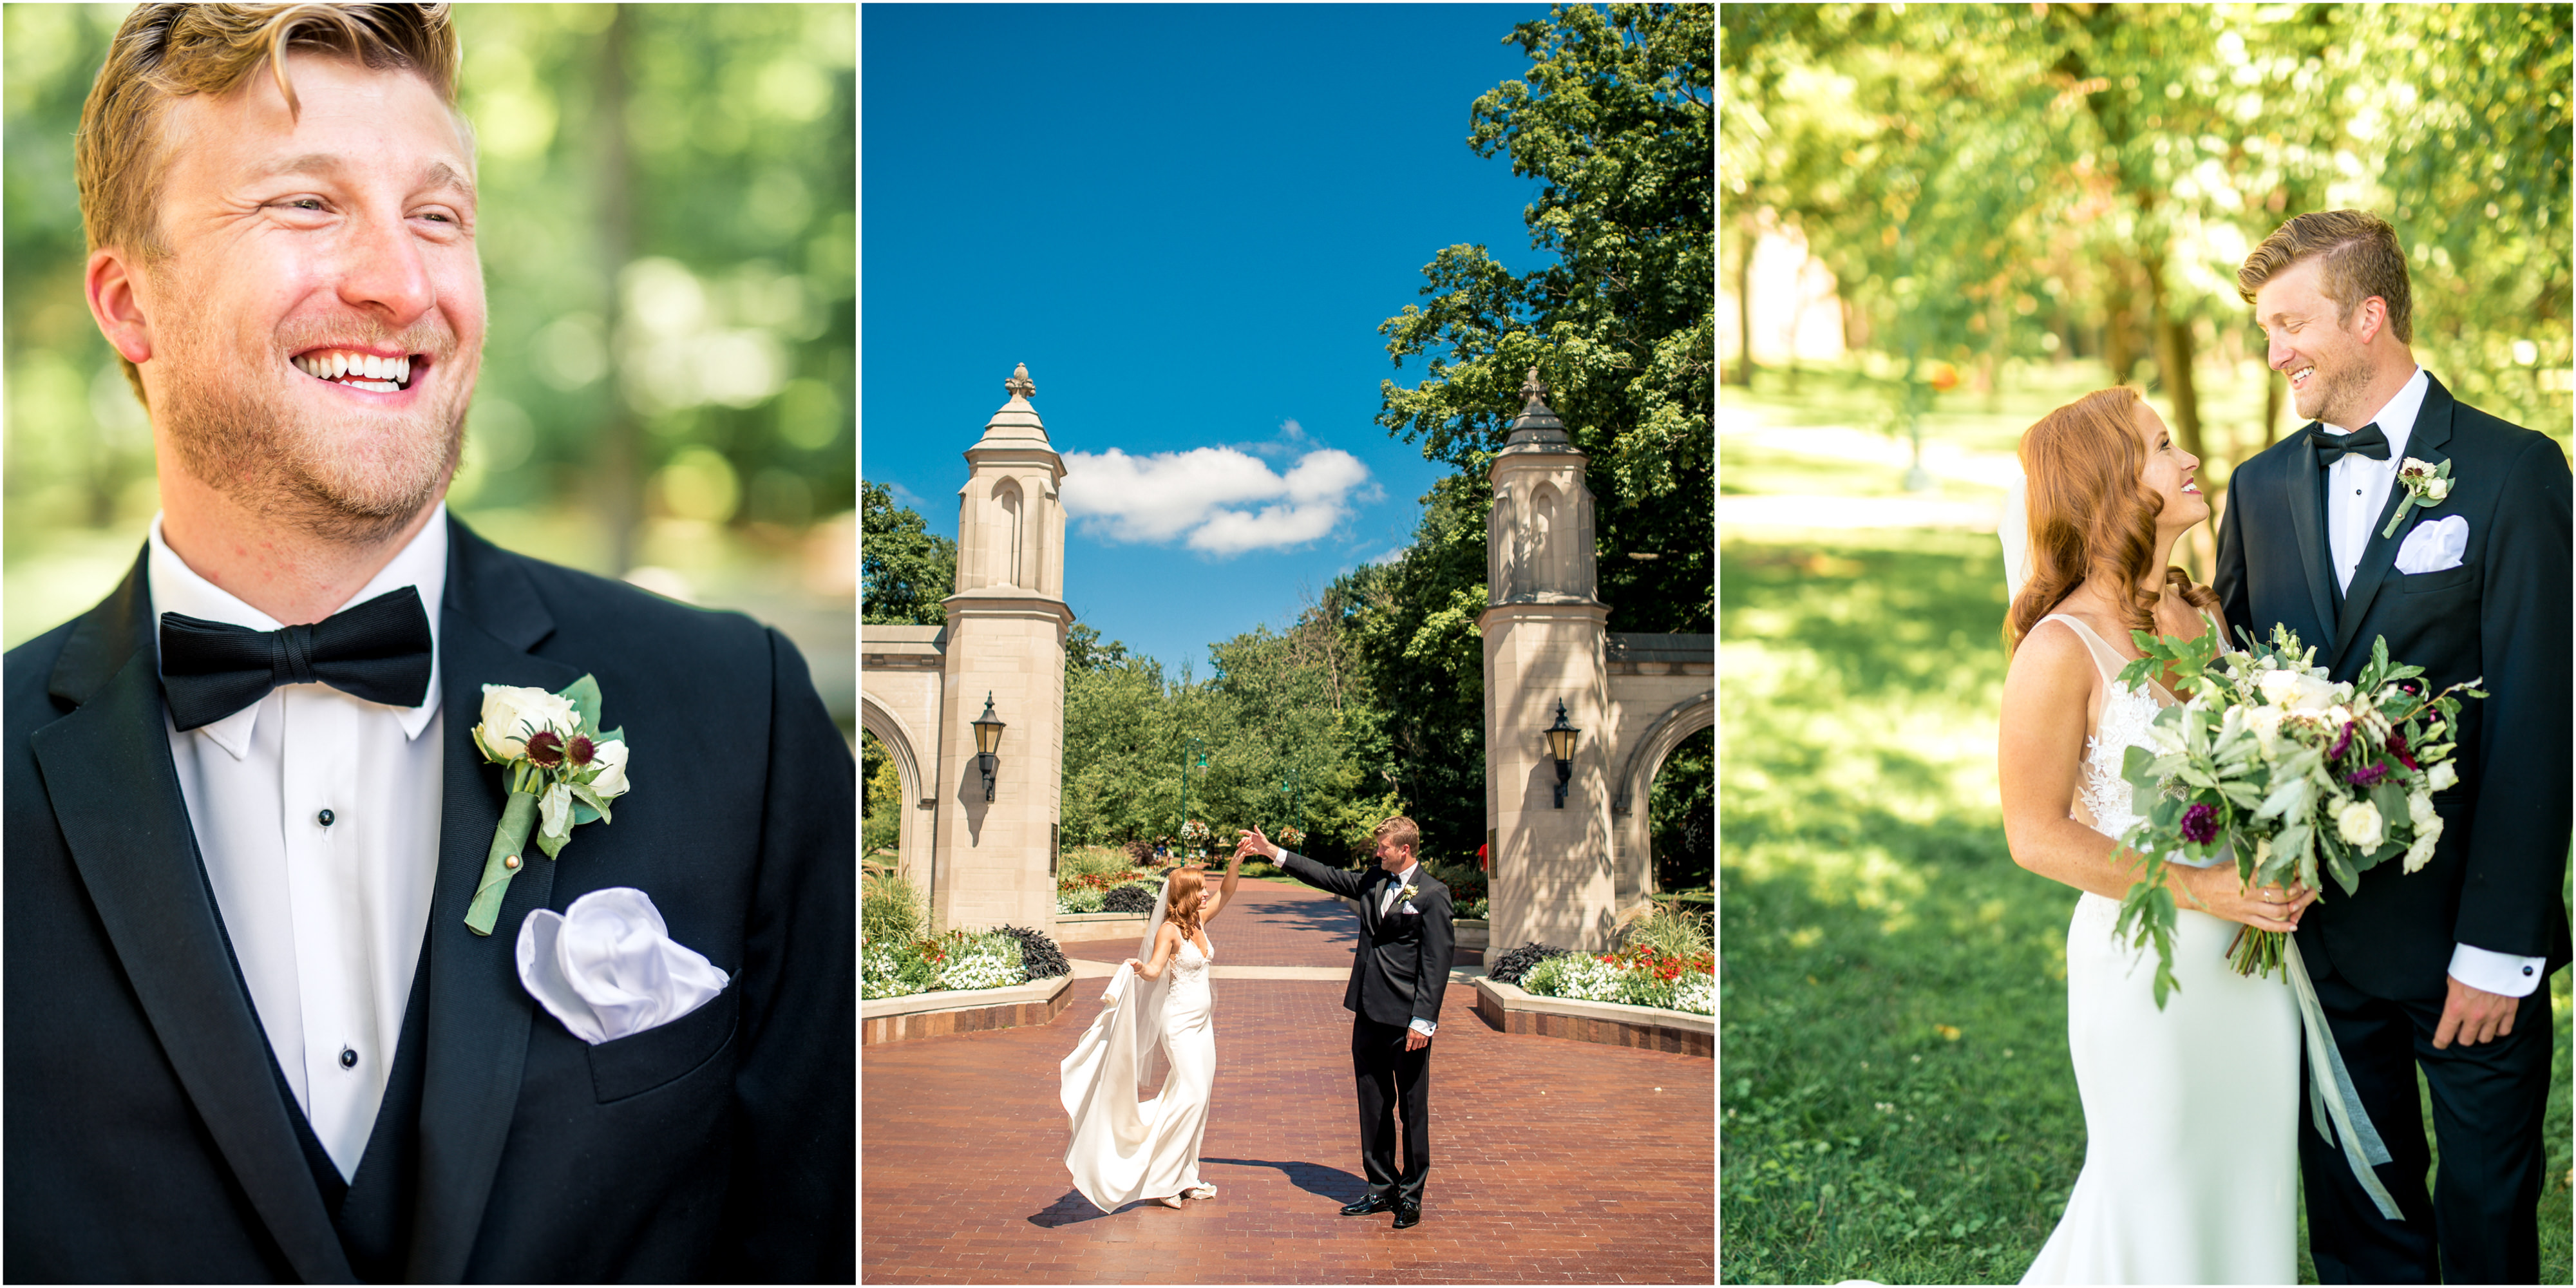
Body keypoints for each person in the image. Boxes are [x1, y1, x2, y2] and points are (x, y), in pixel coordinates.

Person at [2, 6, 853, 1281]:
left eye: (439, 217)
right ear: (132, 304)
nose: (402, 284)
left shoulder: (745, 716)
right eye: (306, 205)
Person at [2215, 209, 2570, 1282]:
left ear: (2370, 318)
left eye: (2292, 323)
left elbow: (2539, 718)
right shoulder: (2259, 489)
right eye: (2264, 328)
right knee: (2359, 1227)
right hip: (2321, 948)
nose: (2275, 351)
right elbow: (2234, 699)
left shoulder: (2515, 474)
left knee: (2483, 1225)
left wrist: (2500, 954)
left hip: (2472, 944)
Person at [1996, 386, 2307, 1282]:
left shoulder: (2201, 615)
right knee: (2153, 1188)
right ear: (2111, 486)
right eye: (2164, 447)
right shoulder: (2060, 650)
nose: (2190, 460)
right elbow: (2035, 834)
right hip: (2147, 969)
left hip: (2252, 964)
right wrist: (2199, 888)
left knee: (2245, 1184)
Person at [1236, 817, 1454, 1231]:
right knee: (1373, 1105)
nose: (1378, 853)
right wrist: (1272, 852)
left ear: (1404, 850)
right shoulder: (1373, 881)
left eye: (1384, 847)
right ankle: (1380, 1187)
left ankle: (1411, 1196)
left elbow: (1436, 962)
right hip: (1368, 1013)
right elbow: (1326, 876)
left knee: (1412, 1110)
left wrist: (1424, 1020)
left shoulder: (1433, 895)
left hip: (1409, 1022)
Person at [1059, 853, 1244, 1212]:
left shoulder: (1198, 922)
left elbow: (1228, 893)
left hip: (1203, 1025)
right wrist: (1140, 967)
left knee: (1200, 1098)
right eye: (1201, 890)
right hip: (1178, 1026)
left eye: (1206, 889)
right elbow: (1156, 970)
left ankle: (1187, 1176)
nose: (1207, 895)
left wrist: (1235, 863)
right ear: (1185, 894)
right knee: (1189, 1095)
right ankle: (1163, 1178)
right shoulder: (1169, 930)